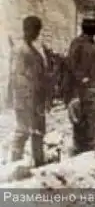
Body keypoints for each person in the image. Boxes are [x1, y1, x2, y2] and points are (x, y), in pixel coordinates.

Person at [9, 16, 47, 166]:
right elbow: (17, 76)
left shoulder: (34, 51)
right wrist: (27, 98)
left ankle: (39, 161)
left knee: (38, 130)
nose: (37, 33)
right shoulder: (20, 50)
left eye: (38, 30)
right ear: (26, 29)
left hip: (36, 98)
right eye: (34, 30)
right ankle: (15, 163)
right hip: (25, 98)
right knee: (23, 130)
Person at [67, 13, 95, 154]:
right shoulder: (77, 43)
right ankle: (80, 146)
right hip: (82, 87)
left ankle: (90, 145)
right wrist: (81, 78)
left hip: (94, 86)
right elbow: (71, 63)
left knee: (94, 114)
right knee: (80, 115)